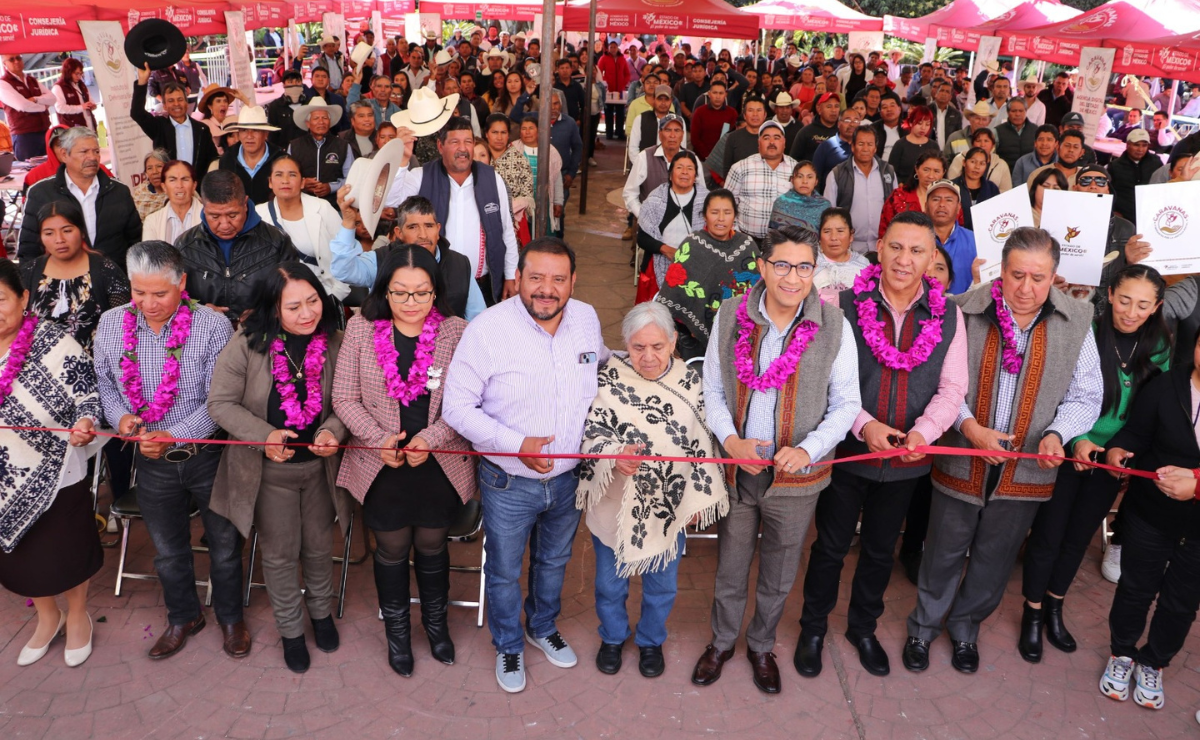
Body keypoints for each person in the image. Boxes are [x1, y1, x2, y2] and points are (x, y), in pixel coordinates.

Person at [903, 227, 1101, 676]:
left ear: (1054, 277)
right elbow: (941, 382)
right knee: (943, 549)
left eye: (1038, 277)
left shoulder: (1077, 321)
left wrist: (1057, 433)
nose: (1026, 288)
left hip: (1029, 469)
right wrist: (970, 429)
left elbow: (1086, 394)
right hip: (963, 454)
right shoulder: (963, 309)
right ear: (1000, 271)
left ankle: (966, 628)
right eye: (1016, 275)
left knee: (996, 554)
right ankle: (922, 627)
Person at [797, 210, 967, 678]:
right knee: (830, 546)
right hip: (849, 453)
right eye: (895, 247)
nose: (904, 260)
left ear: (933, 257)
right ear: (879, 248)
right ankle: (812, 627)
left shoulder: (948, 314)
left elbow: (953, 388)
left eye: (917, 251)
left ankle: (863, 629)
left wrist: (925, 433)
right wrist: (863, 425)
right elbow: (823, 381)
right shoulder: (839, 304)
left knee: (878, 550)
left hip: (907, 460)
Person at [692, 224, 860, 695]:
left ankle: (761, 645)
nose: (792, 277)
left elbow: (847, 402)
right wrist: (730, 440)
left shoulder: (833, 327)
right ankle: (722, 642)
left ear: (815, 271)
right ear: (763, 267)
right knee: (731, 564)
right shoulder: (729, 316)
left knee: (781, 568)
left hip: (798, 478)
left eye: (804, 266)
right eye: (782, 264)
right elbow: (713, 389)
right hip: (739, 471)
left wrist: (808, 449)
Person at [442, 237, 608, 693]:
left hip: (569, 476)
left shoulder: (587, 319)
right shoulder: (488, 329)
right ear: (519, 279)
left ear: (573, 281)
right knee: (503, 568)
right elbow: (457, 408)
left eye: (558, 279)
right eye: (536, 278)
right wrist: (517, 444)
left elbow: (603, 369)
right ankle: (509, 644)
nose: (546, 289)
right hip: (507, 479)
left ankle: (541, 626)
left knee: (554, 561)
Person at [92, 242, 247, 660]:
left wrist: (173, 435)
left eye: (159, 293)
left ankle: (231, 618)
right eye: (139, 292)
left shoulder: (211, 327)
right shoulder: (110, 324)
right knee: (168, 549)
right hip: (151, 460)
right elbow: (107, 382)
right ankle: (184, 616)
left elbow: (221, 399)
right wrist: (122, 417)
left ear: (182, 282)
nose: (148, 303)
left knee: (225, 543)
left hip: (208, 455)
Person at [1018, 265, 1168, 666]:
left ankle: (1054, 605)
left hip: (1112, 460)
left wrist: (1118, 451)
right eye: (1123, 300)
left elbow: (1152, 413)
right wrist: (1076, 439)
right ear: (1110, 293)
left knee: (1078, 537)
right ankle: (1031, 612)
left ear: (1156, 307)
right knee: (1048, 534)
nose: (1130, 312)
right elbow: (1060, 390)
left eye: (1142, 305)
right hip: (1067, 447)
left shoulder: (1160, 349)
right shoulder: (1085, 332)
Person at [206, 263, 349, 673]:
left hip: (320, 470)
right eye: (294, 307)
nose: (307, 314)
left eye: (312, 301)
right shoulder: (248, 344)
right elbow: (220, 403)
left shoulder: (335, 343)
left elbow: (346, 403)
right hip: (269, 474)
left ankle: (321, 616)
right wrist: (265, 435)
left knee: (321, 548)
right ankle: (290, 630)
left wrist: (333, 430)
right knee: (282, 554)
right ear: (273, 309)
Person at [578, 301, 730, 677]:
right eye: (637, 347)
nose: (647, 357)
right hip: (614, 503)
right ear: (625, 344)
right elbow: (589, 434)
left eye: (657, 347)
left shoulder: (692, 385)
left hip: (668, 507)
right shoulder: (608, 380)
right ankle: (612, 636)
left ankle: (650, 641)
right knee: (609, 585)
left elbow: (704, 445)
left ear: (674, 340)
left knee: (662, 587)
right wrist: (615, 456)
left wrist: (698, 495)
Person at [0, 259, 103, 668]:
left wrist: (85, 421)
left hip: (57, 469)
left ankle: (78, 616)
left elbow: (88, 397)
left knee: (66, 549)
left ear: (23, 298)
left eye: (0, 300)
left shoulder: (53, 341)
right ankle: (47, 617)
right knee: (22, 557)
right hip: (5, 477)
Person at [1098, 325, 1200, 710]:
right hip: (1150, 514)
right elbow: (1137, 434)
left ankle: (1154, 661)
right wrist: (1119, 450)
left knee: (1181, 602)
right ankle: (1121, 654)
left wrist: (1197, 485)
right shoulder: (1165, 385)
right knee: (1135, 588)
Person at [386, 114, 520, 306]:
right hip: (434, 283)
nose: (463, 149)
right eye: (455, 142)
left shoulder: (492, 179)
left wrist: (510, 275)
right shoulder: (422, 175)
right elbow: (391, 199)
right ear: (440, 147)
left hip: (483, 284)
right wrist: (402, 160)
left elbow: (506, 230)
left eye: (468, 142)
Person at [330, 191, 485, 320]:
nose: (423, 235)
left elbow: (477, 319)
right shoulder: (381, 260)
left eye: (429, 226)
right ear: (399, 233)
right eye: (413, 227)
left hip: (447, 352)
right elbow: (343, 270)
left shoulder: (460, 264)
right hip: (389, 352)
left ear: (438, 230)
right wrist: (349, 222)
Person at [174, 170, 299, 320]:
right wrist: (198, 310)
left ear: (245, 203)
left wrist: (264, 314)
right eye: (215, 216)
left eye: (233, 215)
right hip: (204, 336)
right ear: (203, 205)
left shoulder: (276, 241)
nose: (225, 225)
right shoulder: (185, 245)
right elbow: (173, 297)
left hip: (262, 335)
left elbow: (294, 294)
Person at [655, 189, 760, 359]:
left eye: (727, 212)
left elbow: (756, 291)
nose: (720, 218)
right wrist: (690, 326)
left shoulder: (747, 246)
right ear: (704, 215)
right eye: (714, 212)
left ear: (735, 215)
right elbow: (673, 292)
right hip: (692, 337)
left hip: (738, 335)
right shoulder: (692, 244)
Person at [18, 127, 142, 267]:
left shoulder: (119, 191)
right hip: (62, 281)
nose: (92, 157)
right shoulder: (40, 193)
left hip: (115, 279)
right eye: (84, 152)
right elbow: (28, 249)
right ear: (64, 155)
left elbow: (136, 242)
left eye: (96, 151)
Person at [20, 200, 129, 353]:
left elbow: (124, 325)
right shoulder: (29, 272)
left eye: (67, 230)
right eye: (49, 233)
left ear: (82, 231)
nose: (59, 240)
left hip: (94, 368)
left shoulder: (106, 270)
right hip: (41, 370)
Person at [255, 155, 350, 303]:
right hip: (276, 300)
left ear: (302, 182)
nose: (285, 180)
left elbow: (345, 252)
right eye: (279, 175)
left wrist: (334, 295)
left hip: (322, 295)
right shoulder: (258, 215)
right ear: (270, 182)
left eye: (292, 175)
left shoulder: (322, 208)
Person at [131, 65, 219, 184]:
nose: (176, 104)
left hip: (197, 192)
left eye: (180, 99)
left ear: (186, 102)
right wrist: (142, 82)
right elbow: (137, 113)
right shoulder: (159, 127)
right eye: (171, 101)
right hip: (167, 192)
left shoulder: (202, 129)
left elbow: (213, 159)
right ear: (165, 106)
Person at [636, 151, 708, 295]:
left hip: (696, 269)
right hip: (656, 268)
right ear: (670, 174)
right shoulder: (655, 200)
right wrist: (665, 249)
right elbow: (642, 238)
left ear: (695, 176)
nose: (684, 172)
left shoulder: (707, 201)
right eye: (679, 167)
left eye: (690, 168)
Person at [825, 125, 898, 255]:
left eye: (870, 144)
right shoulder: (837, 174)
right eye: (861, 144)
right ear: (852, 146)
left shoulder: (888, 172)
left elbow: (896, 208)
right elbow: (829, 214)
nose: (865, 149)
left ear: (875, 148)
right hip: (850, 247)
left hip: (882, 245)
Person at [725, 121, 798, 243]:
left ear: (784, 143)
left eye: (776, 137)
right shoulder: (740, 167)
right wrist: (736, 235)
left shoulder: (797, 170)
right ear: (759, 143)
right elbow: (726, 205)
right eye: (766, 138)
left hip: (784, 243)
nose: (771, 142)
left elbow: (803, 205)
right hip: (745, 240)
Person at [289, 97, 353, 209]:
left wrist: (331, 187)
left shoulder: (343, 146)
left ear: (330, 122)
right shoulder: (295, 146)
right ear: (308, 123)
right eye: (316, 118)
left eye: (325, 118)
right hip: (302, 206)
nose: (321, 122)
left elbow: (351, 179)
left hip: (334, 206)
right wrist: (302, 183)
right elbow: (288, 176)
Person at [218, 106, 286, 207]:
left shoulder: (282, 160)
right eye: (244, 130)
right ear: (239, 134)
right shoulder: (227, 160)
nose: (249, 136)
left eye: (255, 130)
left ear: (266, 134)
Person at [924, 179, 975, 294]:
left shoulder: (974, 241)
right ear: (926, 206)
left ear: (958, 208)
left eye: (949, 200)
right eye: (936, 199)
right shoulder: (914, 240)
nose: (942, 204)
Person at [879, 151, 945, 237]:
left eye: (936, 171)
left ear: (943, 173)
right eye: (926, 170)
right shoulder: (898, 196)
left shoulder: (949, 200)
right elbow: (884, 231)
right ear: (916, 169)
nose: (931, 176)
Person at [0, 54, 53, 160]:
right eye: (12, 59)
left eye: (18, 58)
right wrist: (43, 107)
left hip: (45, 131)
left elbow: (52, 98)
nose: (16, 61)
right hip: (24, 136)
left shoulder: (31, 80)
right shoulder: (3, 83)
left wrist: (35, 99)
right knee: (29, 171)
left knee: (50, 170)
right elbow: (22, 105)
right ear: (4, 64)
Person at [812, 208, 870, 298]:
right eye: (827, 231)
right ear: (819, 237)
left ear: (851, 236)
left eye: (840, 231)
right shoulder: (810, 263)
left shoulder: (864, 265)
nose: (834, 238)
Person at [1108, 129, 1162, 221]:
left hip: (1150, 215)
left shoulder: (1156, 162)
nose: (1140, 149)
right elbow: (1109, 191)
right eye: (1136, 145)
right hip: (1123, 216)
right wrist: (1113, 211)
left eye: (1144, 145)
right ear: (1128, 145)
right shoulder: (1115, 166)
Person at [143, 161, 203, 244]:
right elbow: (149, 255)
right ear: (164, 187)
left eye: (185, 179)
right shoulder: (152, 221)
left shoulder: (208, 216)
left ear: (194, 185)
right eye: (172, 180)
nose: (179, 185)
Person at [769, 160, 831, 232]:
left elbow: (827, 234)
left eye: (809, 177)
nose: (804, 181)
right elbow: (773, 236)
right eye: (800, 176)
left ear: (816, 181)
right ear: (792, 180)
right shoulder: (780, 203)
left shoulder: (824, 205)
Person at [947, 128, 1013, 192]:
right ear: (972, 144)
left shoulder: (1001, 164)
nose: (982, 145)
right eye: (978, 141)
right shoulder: (960, 158)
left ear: (993, 145)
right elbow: (950, 183)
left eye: (986, 141)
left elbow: (1006, 191)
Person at [888, 105, 939, 184]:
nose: (923, 127)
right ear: (911, 122)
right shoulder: (900, 145)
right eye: (920, 123)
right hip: (904, 190)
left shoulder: (933, 146)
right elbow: (891, 171)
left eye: (927, 124)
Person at [953, 147, 1001, 230]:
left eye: (982, 163)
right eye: (973, 162)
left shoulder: (992, 188)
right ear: (964, 162)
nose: (977, 167)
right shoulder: (952, 186)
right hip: (958, 235)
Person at [721, 97, 769, 178]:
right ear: (744, 115)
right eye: (750, 110)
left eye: (759, 110)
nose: (755, 114)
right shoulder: (733, 137)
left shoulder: (772, 138)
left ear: (765, 115)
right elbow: (727, 169)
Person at [812, 108, 862, 185]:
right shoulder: (826, 146)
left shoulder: (864, 147)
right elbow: (815, 176)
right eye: (847, 120)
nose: (852, 124)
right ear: (838, 124)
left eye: (856, 121)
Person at [52, 58, 96, 131]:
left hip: (88, 125)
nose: (79, 76)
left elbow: (90, 99)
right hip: (71, 130)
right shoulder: (58, 87)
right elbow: (60, 108)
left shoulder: (81, 85)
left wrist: (92, 105)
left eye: (81, 73)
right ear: (68, 72)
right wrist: (80, 107)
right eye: (76, 73)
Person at [994, 97, 1036, 173]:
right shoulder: (998, 131)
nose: (1017, 114)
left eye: (1021, 111)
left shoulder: (1035, 130)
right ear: (1007, 112)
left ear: (1026, 111)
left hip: (1030, 176)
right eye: (1014, 111)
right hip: (1005, 176)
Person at [132, 149, 171, 222]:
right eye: (149, 168)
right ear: (146, 172)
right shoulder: (140, 193)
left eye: (159, 166)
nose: (154, 172)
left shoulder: (178, 189)